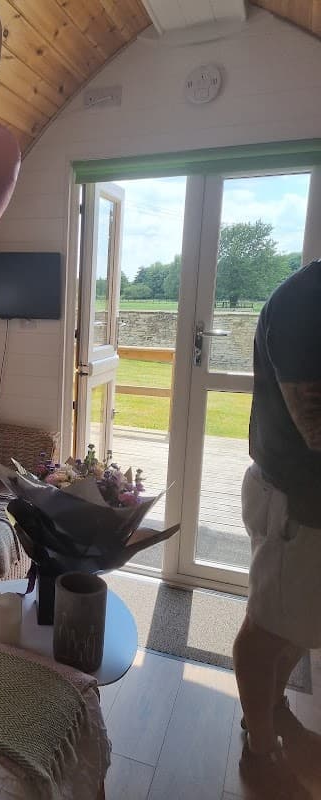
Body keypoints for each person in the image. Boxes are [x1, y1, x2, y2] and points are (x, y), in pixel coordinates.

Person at [234, 258, 321, 797]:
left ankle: (271, 707)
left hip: (305, 500)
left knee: (294, 624)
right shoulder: (304, 306)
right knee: (267, 628)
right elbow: (316, 429)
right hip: (297, 502)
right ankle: (259, 746)